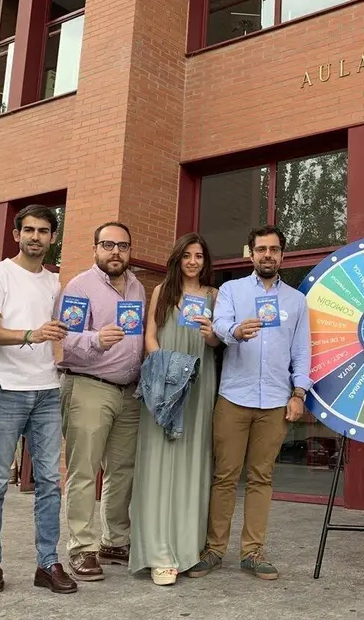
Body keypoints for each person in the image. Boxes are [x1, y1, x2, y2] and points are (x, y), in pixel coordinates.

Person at [187, 225, 310, 581]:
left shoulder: (296, 301)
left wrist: (298, 393)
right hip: (234, 397)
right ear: (251, 254)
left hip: (275, 401)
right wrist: (235, 332)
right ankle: (213, 550)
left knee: (261, 477)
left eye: (274, 249)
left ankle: (253, 553)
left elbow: (302, 352)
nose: (267, 255)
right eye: (261, 249)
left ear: (282, 255)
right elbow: (219, 324)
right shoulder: (231, 290)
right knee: (224, 477)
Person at [0, 205, 76, 594]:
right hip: (4, 390)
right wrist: (32, 335)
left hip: (47, 390)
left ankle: (47, 563)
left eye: (44, 231)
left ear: (53, 238)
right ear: (17, 234)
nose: (36, 237)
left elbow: (66, 329)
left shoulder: (54, 283)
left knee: (51, 480)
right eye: (29, 230)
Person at [128, 233, 221, 585]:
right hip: (164, 380)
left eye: (199, 255)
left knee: (191, 458)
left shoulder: (214, 295)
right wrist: (165, 370)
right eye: (187, 255)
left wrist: (210, 333)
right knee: (157, 459)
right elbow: (149, 336)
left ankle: (186, 548)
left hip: (199, 380)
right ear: (177, 259)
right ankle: (157, 552)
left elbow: (216, 342)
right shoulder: (162, 291)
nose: (193, 261)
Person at [58, 222, 146, 582]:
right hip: (89, 387)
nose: (115, 252)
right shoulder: (80, 286)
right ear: (95, 248)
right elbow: (65, 338)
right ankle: (82, 548)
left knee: (122, 471)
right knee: (84, 471)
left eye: (122, 246)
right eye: (108, 245)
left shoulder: (138, 287)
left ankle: (114, 541)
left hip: (129, 392)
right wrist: (96, 339)